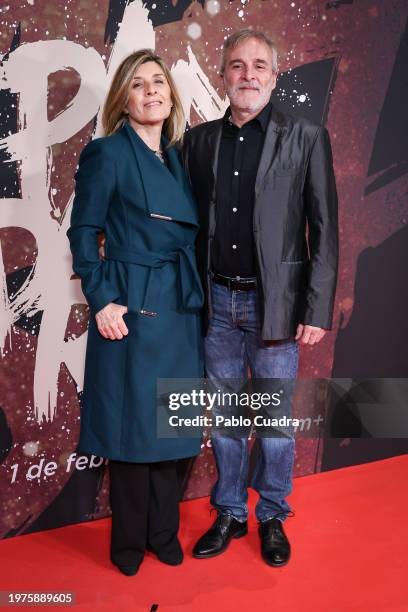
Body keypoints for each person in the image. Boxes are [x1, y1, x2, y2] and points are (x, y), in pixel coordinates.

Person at [183, 29, 339, 566]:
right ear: (223, 74)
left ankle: (272, 514)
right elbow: (184, 225)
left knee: (272, 422)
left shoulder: (307, 137)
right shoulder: (199, 142)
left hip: (277, 307)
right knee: (225, 418)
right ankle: (229, 510)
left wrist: (316, 308)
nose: (247, 75)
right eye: (236, 65)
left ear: (274, 75)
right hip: (217, 306)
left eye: (258, 66)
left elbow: (325, 228)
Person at [66, 49, 204, 576]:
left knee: (172, 425)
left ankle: (163, 533)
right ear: (123, 97)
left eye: (159, 83)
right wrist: (101, 299)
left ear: (170, 94)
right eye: (139, 84)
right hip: (130, 300)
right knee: (131, 429)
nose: (152, 92)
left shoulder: (177, 155)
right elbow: (83, 232)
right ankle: (127, 544)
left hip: (179, 301)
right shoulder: (107, 153)